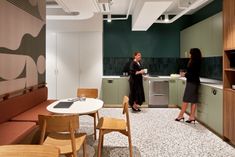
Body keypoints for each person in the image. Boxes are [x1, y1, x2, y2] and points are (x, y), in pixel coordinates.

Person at [175, 48, 202, 123]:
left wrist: (184, 74)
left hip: (191, 82)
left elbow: (191, 74)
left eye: (190, 53)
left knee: (185, 99)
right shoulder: (198, 61)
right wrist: (186, 74)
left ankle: (181, 115)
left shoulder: (193, 62)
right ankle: (192, 117)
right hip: (195, 82)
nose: (189, 55)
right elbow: (194, 73)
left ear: (193, 54)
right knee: (194, 100)